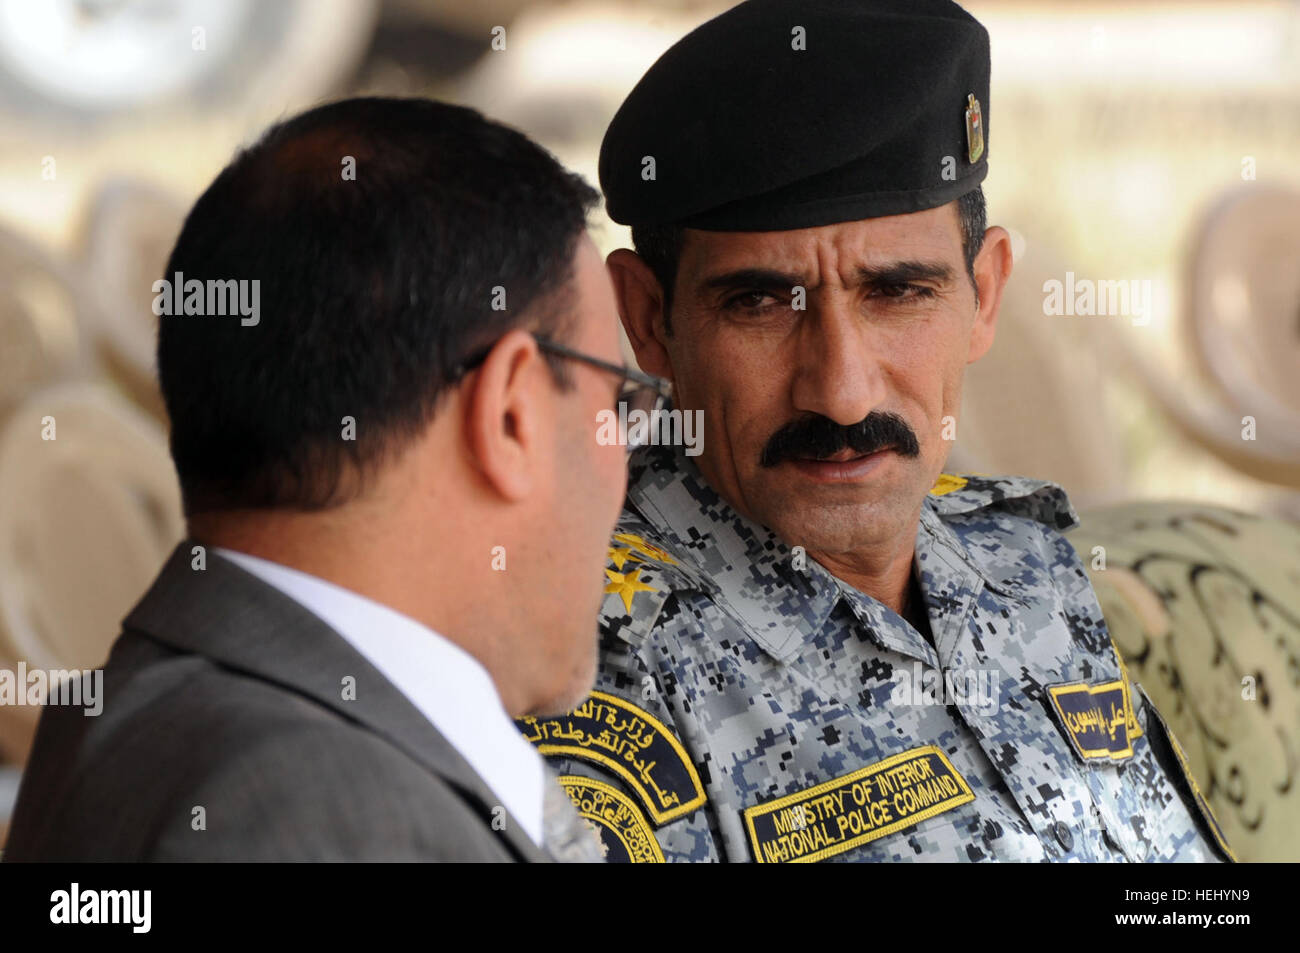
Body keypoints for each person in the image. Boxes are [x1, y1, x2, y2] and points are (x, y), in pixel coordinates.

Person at [519, 0, 1237, 863]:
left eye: (898, 292)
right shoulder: (588, 667)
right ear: (649, 318)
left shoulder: (1024, 567)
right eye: (759, 304)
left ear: (986, 296)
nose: (844, 396)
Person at [3, 96, 642, 862]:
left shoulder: (139, 706)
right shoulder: (332, 813)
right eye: (619, 399)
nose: (627, 453)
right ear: (512, 413)